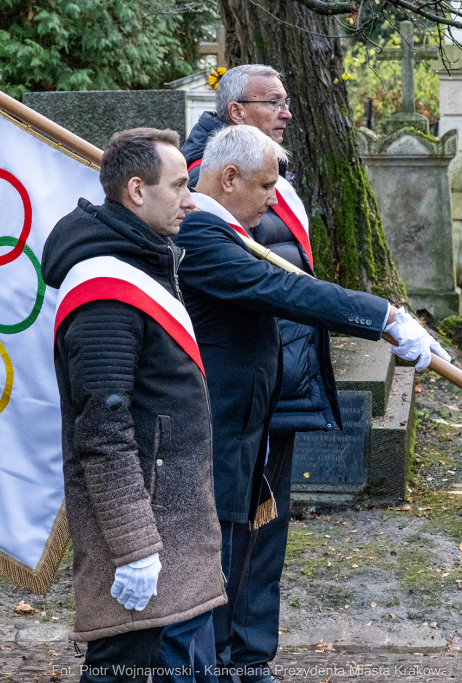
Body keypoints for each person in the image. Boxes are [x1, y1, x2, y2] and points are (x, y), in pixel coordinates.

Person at [174, 124, 448, 683]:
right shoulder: (201, 233)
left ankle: (230, 664)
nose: (275, 199)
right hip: (215, 428)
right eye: (266, 186)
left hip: (246, 423)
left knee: (240, 559)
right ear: (229, 178)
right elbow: (286, 291)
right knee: (211, 573)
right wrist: (384, 319)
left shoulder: (223, 227)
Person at [42, 128, 226, 683]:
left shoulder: (143, 263)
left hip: (176, 548)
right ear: (137, 191)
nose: (191, 200)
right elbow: (102, 433)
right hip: (147, 553)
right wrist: (136, 550)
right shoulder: (104, 289)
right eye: (179, 186)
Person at [174, 63, 314, 683]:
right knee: (226, 522)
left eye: (286, 101)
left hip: (281, 374)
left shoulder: (272, 169)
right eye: (273, 102)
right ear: (235, 110)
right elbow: (262, 281)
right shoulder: (196, 185)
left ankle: (251, 652)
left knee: (267, 524)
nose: (286, 111)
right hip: (229, 382)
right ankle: (217, 654)